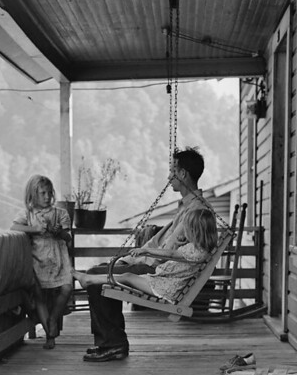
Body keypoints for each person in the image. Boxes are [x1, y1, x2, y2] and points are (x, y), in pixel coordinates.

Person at [82, 146, 212, 362]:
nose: (169, 176)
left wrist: (138, 257)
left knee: (96, 278)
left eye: (172, 170)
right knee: (98, 273)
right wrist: (131, 258)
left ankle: (113, 344)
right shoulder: (188, 206)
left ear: (182, 174)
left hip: (157, 271)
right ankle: (110, 342)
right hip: (155, 264)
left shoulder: (195, 211)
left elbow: (166, 252)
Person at [73, 207, 218, 304]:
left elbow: (171, 253)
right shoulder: (200, 249)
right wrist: (181, 242)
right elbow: (178, 255)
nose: (184, 232)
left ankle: (88, 279)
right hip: (163, 283)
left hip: (164, 289)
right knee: (126, 277)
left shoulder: (195, 251)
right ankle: (90, 279)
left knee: (127, 277)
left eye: (187, 229)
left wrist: (146, 251)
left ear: (195, 231)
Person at [11, 174, 73, 349]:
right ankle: (50, 335)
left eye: (49, 193)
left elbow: (68, 238)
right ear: (32, 195)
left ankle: (53, 318)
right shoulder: (28, 214)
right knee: (39, 296)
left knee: (67, 287)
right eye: (42, 193)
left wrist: (59, 232)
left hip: (59, 257)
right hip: (38, 258)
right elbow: (14, 227)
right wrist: (35, 229)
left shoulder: (60, 213)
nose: (46, 197)